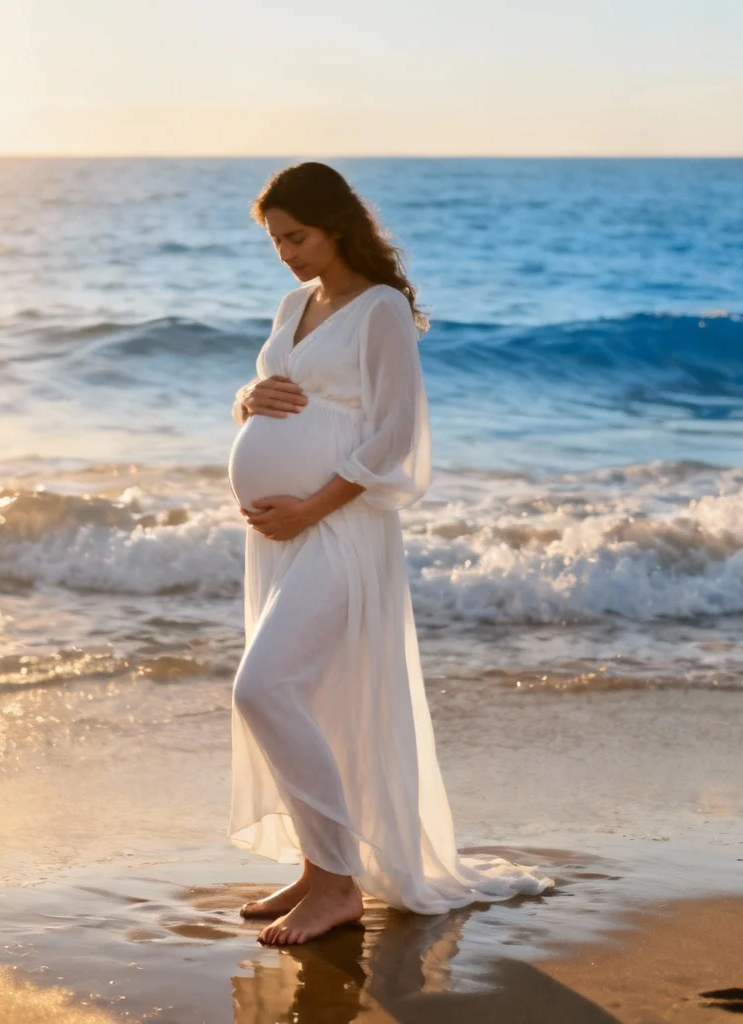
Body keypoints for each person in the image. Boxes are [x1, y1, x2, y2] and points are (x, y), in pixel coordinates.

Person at [226, 162, 553, 947]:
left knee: (263, 689)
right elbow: (280, 393)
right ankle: (318, 867)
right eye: (275, 240)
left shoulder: (380, 311)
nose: (287, 253)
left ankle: (340, 886)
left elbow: (395, 435)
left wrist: (309, 504)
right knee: (312, 695)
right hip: (284, 536)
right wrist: (245, 399)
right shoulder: (295, 303)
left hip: (338, 528)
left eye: (296, 236)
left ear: (337, 225)